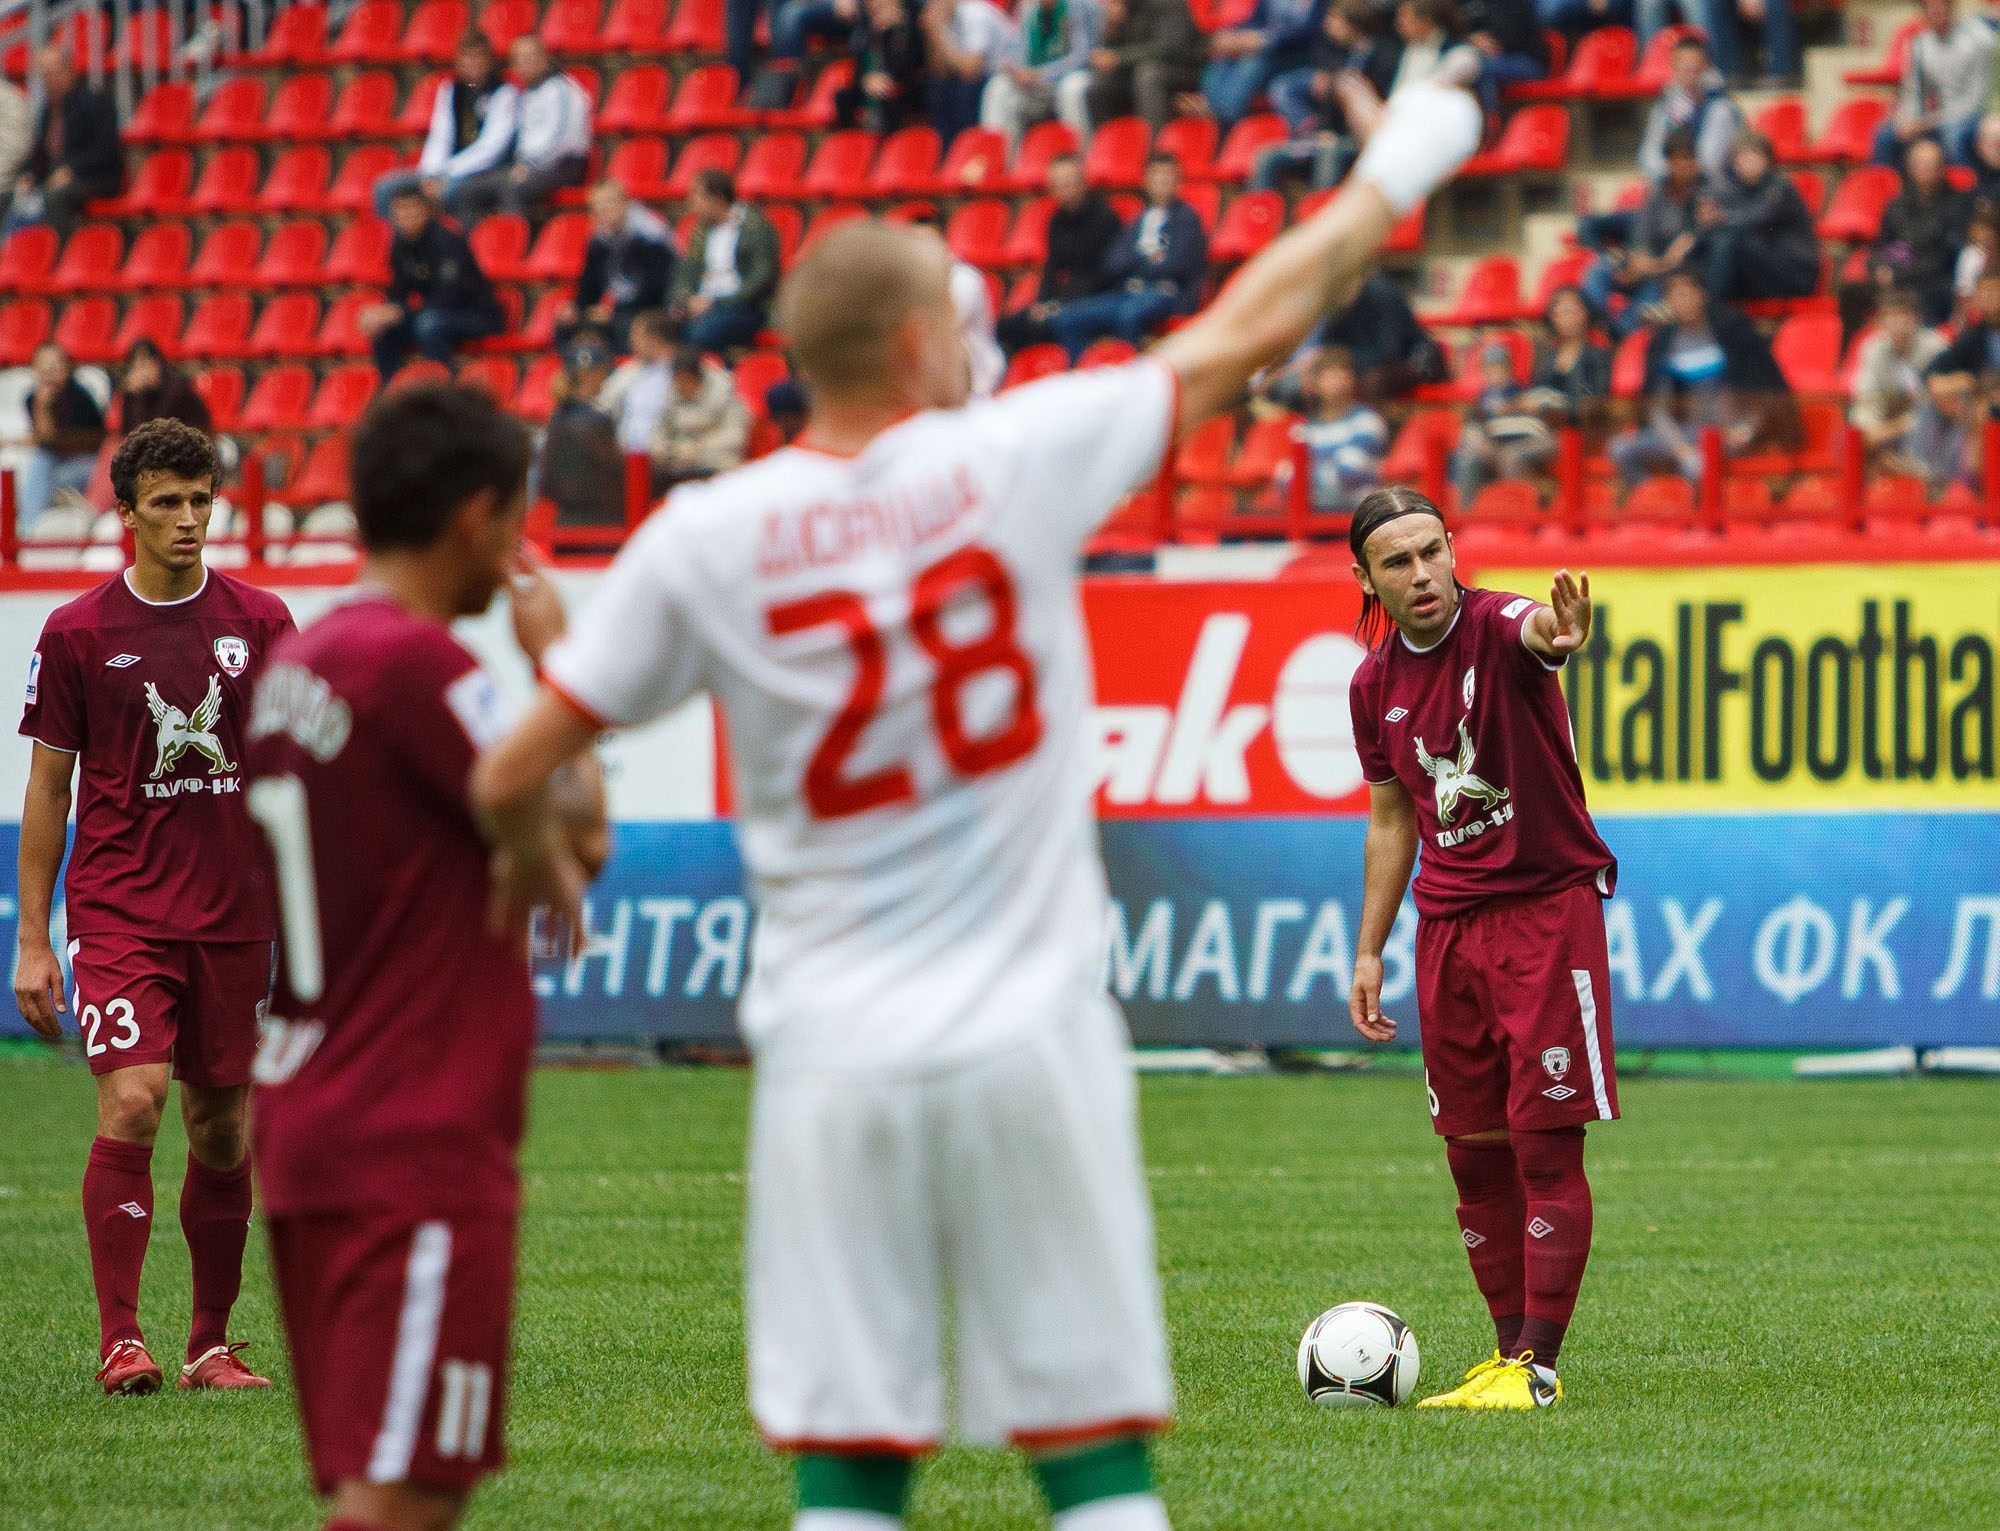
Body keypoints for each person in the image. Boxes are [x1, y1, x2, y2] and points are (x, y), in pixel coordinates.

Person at [471, 73, 1484, 1531]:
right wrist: (1405, 160)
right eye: (958, 319)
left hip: (830, 1055)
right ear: (914, 343)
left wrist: (557, 853)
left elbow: (517, 765)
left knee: (850, 1473)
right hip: (1028, 1036)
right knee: (1094, 1465)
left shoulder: (711, 534)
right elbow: (1250, 325)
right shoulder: (1011, 460)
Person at [244, 383, 607, 1531]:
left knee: (382, 1481)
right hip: (411, 1132)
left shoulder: (296, 666)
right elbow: (578, 834)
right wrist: (561, 669)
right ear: (476, 517)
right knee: (407, 1495)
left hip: (313, 1113)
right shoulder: (422, 670)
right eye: (515, 518)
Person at [14, 418, 294, 1395]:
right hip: (121, 908)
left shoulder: (263, 623)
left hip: (236, 914)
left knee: (221, 1127)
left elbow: (297, 773)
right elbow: (49, 788)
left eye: (200, 500)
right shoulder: (76, 632)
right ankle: (121, 1340)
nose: (188, 518)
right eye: (167, 502)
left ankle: (210, 1344)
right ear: (126, 513)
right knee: (134, 1100)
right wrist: (34, 937)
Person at [1344, 484, 1615, 1411]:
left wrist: (1561, 633)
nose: (1422, 573)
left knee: (1545, 1143)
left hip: (1543, 914)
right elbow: (1392, 819)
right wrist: (1370, 949)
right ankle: (1505, 1359)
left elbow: (1541, 631)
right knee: (1473, 1153)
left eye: (1433, 551)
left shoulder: (1500, 628)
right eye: (1398, 561)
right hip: (1448, 930)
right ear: (1367, 579)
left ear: (1453, 549)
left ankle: (1537, 1366)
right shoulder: (1372, 686)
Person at [1609, 267, 1800, 487]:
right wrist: (1680, 448)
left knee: (1695, 467)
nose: (1682, 300)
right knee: (1621, 449)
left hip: (1730, 431)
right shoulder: (1663, 342)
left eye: (1687, 292)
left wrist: (1746, 430)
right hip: (1687, 432)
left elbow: (1763, 390)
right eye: (1674, 294)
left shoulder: (1733, 329)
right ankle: (1654, 499)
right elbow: (1658, 407)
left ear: (1701, 294)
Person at [1049, 155, 1209, 360]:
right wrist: (1148, 258)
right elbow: (1113, 262)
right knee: (1067, 318)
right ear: (1146, 181)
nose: (1163, 181)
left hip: (1165, 294)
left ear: (1178, 181)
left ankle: (1129, 376)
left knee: (1128, 315)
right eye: (1157, 176)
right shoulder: (1138, 219)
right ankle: (1084, 372)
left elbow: (1176, 264)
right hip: (1129, 292)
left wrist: (1136, 261)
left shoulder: (1187, 218)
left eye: (1168, 176)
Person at [1253, 0, 1402, 193]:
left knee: (1329, 152)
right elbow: (1327, 108)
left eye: (1334, 20)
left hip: (1358, 140)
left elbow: (1380, 107)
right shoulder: (1337, 53)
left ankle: (1318, 207)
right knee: (1268, 156)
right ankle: (1260, 208)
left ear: (1353, 24)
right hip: (1325, 136)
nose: (1327, 25)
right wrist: (1322, 132)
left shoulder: (1385, 57)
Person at [361, 188, 507, 380]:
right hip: (433, 312)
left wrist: (402, 312)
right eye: (401, 212)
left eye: (412, 211)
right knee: (385, 328)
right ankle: (390, 387)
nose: (407, 217)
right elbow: (398, 290)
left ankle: (443, 386)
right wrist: (383, 313)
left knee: (428, 324)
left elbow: (450, 295)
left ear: (426, 211)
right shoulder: (400, 245)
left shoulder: (446, 241)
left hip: (476, 314)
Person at [444, 36, 593, 223]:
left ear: (544, 57)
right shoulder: (525, 93)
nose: (526, 63)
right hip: (525, 166)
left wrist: (530, 165)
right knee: (468, 190)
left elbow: (563, 139)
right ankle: (473, 240)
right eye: (520, 59)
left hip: (563, 165)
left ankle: (514, 239)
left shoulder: (562, 89)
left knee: (513, 188)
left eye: (531, 56)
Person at [372, 32, 515, 219]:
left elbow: (492, 148)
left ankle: (443, 237)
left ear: (489, 61)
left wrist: (447, 173)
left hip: (482, 171)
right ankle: (397, 238)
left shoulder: (504, 92)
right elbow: (440, 136)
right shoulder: (451, 89)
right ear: (458, 61)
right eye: (467, 57)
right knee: (385, 188)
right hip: (445, 170)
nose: (473, 63)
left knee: (446, 193)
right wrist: (430, 174)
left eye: (478, 56)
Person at [1579, 128, 1703, 336]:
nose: (1684, 166)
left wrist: (1649, 267)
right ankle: (1597, 326)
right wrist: (1625, 261)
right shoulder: (1656, 195)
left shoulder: (1703, 196)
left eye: (1688, 159)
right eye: (1677, 160)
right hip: (1643, 267)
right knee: (1599, 270)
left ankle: (1617, 335)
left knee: (1646, 304)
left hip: (1666, 277)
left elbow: (1679, 259)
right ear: (1668, 163)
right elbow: (1640, 245)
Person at [995, 154, 1122, 352]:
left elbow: (1105, 273)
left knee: (1048, 326)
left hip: (1096, 299)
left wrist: (1060, 305)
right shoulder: (1056, 220)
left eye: (1070, 182)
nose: (1066, 190)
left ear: (1083, 182)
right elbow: (1052, 266)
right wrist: (1043, 303)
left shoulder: (1106, 218)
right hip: (1063, 300)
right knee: (1005, 327)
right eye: (1059, 184)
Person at [6, 43, 123, 237]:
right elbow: (41, 153)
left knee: (54, 197)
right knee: (7, 196)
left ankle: (55, 251)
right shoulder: (47, 110)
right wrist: (28, 174)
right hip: (57, 175)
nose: (50, 80)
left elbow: (107, 150)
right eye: (45, 75)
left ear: (70, 70)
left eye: (55, 72)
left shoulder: (94, 102)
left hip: (94, 177)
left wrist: (72, 169)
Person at [1692, 131, 1820, 306]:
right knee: (1707, 244)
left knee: (1730, 239)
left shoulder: (1781, 188)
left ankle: (1709, 309)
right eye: (1741, 159)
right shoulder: (1737, 191)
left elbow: (1757, 216)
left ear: (1767, 160)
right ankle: (1698, 304)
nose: (1746, 163)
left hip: (1793, 274)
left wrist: (1720, 217)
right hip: (1760, 273)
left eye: (1752, 157)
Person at [670, 169, 784, 353]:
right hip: (703, 304)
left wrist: (715, 303)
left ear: (718, 198)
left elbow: (762, 278)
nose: (690, 202)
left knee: (700, 334)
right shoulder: (701, 231)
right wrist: (685, 298)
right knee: (662, 328)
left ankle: (716, 370)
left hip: (742, 307)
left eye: (696, 195)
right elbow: (687, 270)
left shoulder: (755, 228)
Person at [558, 181, 678, 352]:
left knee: (623, 327)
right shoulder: (599, 238)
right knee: (566, 325)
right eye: (597, 206)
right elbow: (590, 283)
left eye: (609, 203)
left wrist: (614, 312)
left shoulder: (650, 234)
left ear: (625, 202)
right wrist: (578, 307)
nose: (603, 210)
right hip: (622, 308)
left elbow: (658, 286)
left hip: (652, 308)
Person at [1873, 0, 1994, 169]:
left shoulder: (1978, 42)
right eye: (1931, 9)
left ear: (1952, 8)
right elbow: (1913, 91)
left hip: (1968, 115)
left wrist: (1926, 123)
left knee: (1952, 135)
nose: (1936, 13)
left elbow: (1975, 102)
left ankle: (1962, 184)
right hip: (1933, 115)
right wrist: (1905, 118)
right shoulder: (1919, 44)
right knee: (1885, 134)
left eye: (1940, 7)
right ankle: (1885, 183)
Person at [1869, 136, 1968, 329]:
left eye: (1932, 163)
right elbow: (1881, 246)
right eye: (1921, 163)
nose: (1926, 168)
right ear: (1910, 167)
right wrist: (1879, 267)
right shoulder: (1897, 205)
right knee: (1853, 291)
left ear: (1942, 167)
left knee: (1926, 293)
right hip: (1896, 273)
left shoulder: (1958, 204)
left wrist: (1897, 274)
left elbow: (1945, 256)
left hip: (1934, 278)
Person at [1849, 287, 1948, 467]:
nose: (1898, 322)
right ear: (1880, 321)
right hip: (1886, 425)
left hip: (1926, 425)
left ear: (1918, 318)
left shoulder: (1935, 346)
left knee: (1926, 428)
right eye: (1891, 316)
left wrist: (1897, 428)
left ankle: (1915, 474)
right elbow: (1867, 398)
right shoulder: (1873, 348)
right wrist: (1869, 429)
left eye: (1904, 315)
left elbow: (1936, 404)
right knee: (1850, 436)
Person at [981, 0, 1103, 144]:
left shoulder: (1077, 6)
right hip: (1037, 83)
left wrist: (1042, 73)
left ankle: (1078, 152)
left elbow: (1081, 57)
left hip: (1072, 76)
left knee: (1071, 87)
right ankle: (995, 152)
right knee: (999, 86)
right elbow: (1019, 52)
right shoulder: (1029, 10)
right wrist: (1014, 68)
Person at [1315, 269, 1447, 400]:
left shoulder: (1382, 293)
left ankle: (1367, 414)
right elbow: (1330, 347)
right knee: (1317, 380)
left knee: (1371, 381)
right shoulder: (1335, 306)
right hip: (1366, 364)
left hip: (1414, 360)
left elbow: (1389, 351)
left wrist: (1345, 365)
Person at [1449, 340, 1553, 504]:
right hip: (1493, 448)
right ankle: (1465, 514)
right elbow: (1472, 431)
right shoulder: (1481, 401)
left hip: (1526, 443)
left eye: (1500, 366)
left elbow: (1542, 419)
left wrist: (1515, 405)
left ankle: (1516, 509)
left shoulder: (1524, 392)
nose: (1496, 372)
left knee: (1511, 456)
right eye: (1491, 368)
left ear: (1509, 368)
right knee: (1468, 459)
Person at [1284, 344, 1387, 510]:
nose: (1339, 381)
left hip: (1356, 512)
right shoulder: (1302, 428)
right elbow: (1286, 480)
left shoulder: (1367, 421)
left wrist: (1308, 478)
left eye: (1343, 374)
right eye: (1331, 375)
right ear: (1316, 383)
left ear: (1352, 379)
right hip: (1312, 513)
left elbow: (1350, 472)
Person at [16, 342, 107, 528]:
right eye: (45, 365)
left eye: (56, 365)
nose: (50, 371)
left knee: (39, 471)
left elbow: (53, 441)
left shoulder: (80, 399)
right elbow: (43, 440)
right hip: (56, 464)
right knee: (35, 466)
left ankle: (30, 530)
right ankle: (30, 528)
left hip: (85, 463)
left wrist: (43, 409)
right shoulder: (32, 399)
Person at [538, 337, 627, 526]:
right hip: (601, 522)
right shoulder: (597, 420)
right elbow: (615, 474)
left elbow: (547, 483)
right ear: (594, 374)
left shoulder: (557, 417)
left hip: (564, 519)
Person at [1635, 35, 1743, 190]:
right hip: (1671, 187)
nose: (1689, 72)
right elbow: (1649, 154)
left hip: (1712, 190)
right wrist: (1667, 173)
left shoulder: (1721, 107)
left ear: (1706, 67)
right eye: (1683, 67)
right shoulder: (1667, 105)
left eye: (1695, 67)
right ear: (1675, 68)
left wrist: (1678, 171)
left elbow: (1709, 162)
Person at [1199, 0, 1327, 128]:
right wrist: (1235, 36)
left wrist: (1266, 40)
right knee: (1228, 50)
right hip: (1265, 44)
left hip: (1293, 55)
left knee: (1256, 57)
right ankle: (1208, 104)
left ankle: (1226, 115)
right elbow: (1256, 20)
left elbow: (1307, 33)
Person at [1084, 0, 1207, 133]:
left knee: (1148, 76)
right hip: (1138, 69)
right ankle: (1112, 144)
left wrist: (1119, 57)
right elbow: (1117, 50)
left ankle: (1155, 142)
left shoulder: (1169, 4)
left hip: (1183, 69)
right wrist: (1112, 28)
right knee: (1098, 88)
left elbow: (1168, 48)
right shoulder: (1127, 7)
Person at [649, 345, 754, 488]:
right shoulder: (664, 391)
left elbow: (735, 434)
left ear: (700, 377)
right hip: (675, 464)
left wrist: (698, 449)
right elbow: (655, 430)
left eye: (688, 380)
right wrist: (663, 449)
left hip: (715, 462)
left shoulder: (725, 388)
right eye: (678, 381)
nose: (683, 386)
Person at [920, 0, 1020, 139]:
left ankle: (970, 143)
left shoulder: (975, 15)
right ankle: (948, 148)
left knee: (964, 90)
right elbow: (939, 72)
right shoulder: (946, 20)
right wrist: (933, 34)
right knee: (936, 88)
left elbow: (971, 70)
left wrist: (939, 33)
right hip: (977, 77)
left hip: (1006, 75)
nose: (932, 6)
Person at [1521, 285, 1611, 437]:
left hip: (1575, 431)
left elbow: (1595, 403)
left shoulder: (1597, 356)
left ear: (1586, 313)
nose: (1566, 317)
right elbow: (1536, 392)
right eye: (1560, 313)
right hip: (1541, 427)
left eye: (1572, 311)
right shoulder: (1548, 357)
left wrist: (1553, 410)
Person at [835, 0, 933, 133]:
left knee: (886, 94)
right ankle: (851, 141)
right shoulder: (868, 24)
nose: (873, 5)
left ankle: (890, 142)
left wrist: (891, 31)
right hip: (874, 82)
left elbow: (915, 62)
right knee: (843, 98)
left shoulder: (913, 17)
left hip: (907, 83)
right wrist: (866, 80)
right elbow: (860, 67)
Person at [600, 309, 680, 459]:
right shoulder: (625, 373)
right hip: (625, 456)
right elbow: (602, 408)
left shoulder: (685, 371)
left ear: (653, 339)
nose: (631, 342)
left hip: (672, 456)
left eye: (635, 335)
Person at [1455, 0, 1548, 115]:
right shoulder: (1461, 4)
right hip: (1487, 59)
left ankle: (1490, 120)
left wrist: (1476, 43)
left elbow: (1504, 41)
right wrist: (1470, 40)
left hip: (1529, 61)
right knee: (1462, 66)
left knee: (1479, 68)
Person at [114, 339, 213, 437]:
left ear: (158, 363)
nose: (141, 371)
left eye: (145, 363)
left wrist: (138, 396)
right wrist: (133, 396)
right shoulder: (133, 394)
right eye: (135, 366)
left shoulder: (176, 389)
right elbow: (128, 434)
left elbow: (155, 430)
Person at [1953, 201, 2000, 315]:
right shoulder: (1970, 255)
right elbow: (1963, 294)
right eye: (1977, 230)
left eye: (1986, 229)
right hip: (1979, 310)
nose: (1981, 235)